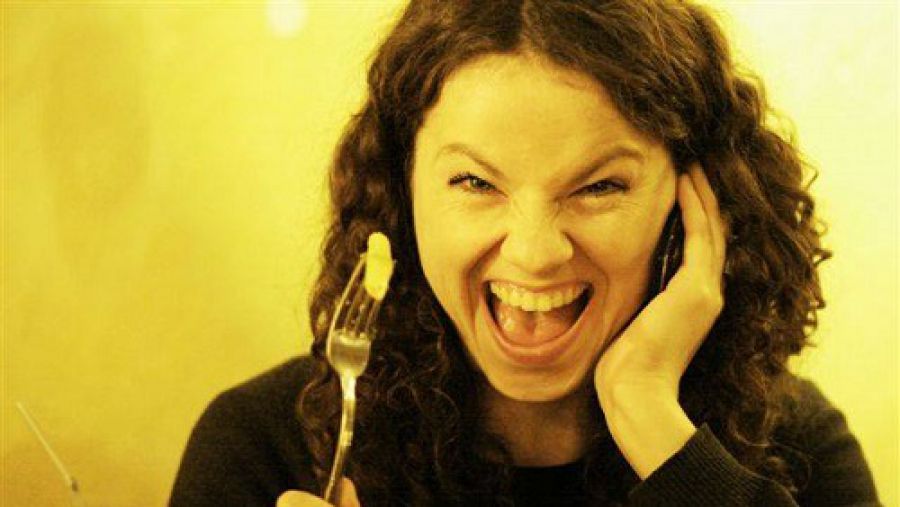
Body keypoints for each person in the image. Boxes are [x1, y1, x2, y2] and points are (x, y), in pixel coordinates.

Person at [169, 1, 881, 505]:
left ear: (698, 202)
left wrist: (653, 423)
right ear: (401, 192)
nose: (536, 252)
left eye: (599, 186)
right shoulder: (261, 449)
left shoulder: (799, 450)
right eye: (475, 182)